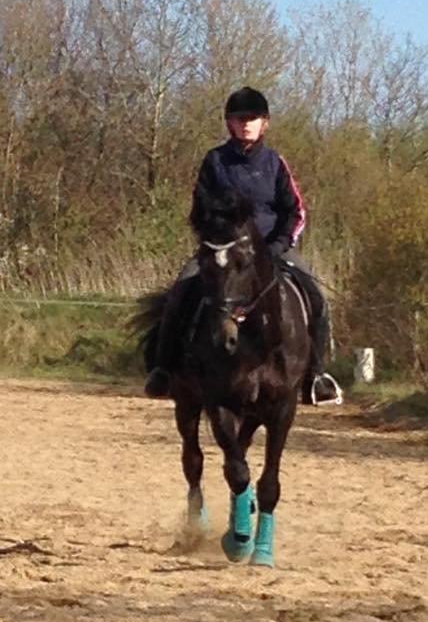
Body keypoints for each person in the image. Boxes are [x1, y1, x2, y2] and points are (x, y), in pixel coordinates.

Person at [144, 86, 343, 405]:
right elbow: (200, 209)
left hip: (272, 248)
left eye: (252, 118)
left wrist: (279, 245)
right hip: (223, 249)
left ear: (265, 123)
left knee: (317, 297)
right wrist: (216, 241)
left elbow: (295, 210)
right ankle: (164, 370)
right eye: (240, 119)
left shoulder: (275, 162)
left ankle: (316, 376)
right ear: (230, 124)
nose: (246, 124)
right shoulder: (215, 161)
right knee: (181, 290)